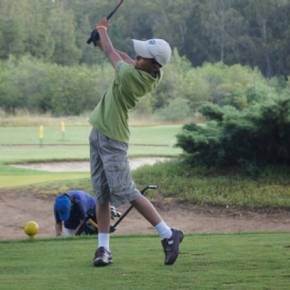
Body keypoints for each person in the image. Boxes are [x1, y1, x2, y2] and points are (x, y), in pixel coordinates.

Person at [89, 17, 184, 267]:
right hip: (99, 134)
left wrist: (102, 31)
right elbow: (119, 54)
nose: (136, 56)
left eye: (142, 56)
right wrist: (101, 42)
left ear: (152, 64)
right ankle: (103, 249)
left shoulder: (133, 78)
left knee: (127, 191)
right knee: (102, 194)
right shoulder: (146, 71)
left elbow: (113, 53)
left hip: (113, 139)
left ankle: (168, 234)